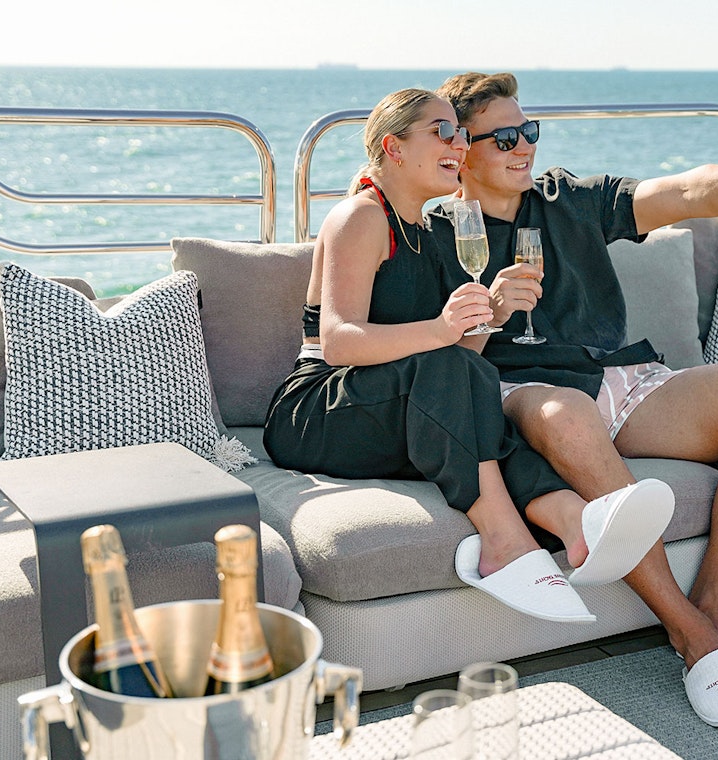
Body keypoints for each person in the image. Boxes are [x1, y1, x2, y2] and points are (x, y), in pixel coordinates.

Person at [429, 72, 718, 727]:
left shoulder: (567, 199)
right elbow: (440, 372)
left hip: (621, 379)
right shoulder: (435, 230)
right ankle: (688, 632)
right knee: (568, 413)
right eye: (505, 136)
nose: (524, 146)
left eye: (528, 130)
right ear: (460, 148)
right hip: (522, 393)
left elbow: (687, 190)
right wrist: (488, 314)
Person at [262, 88, 674, 626]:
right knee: (453, 372)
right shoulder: (360, 217)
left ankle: (579, 525)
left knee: (477, 381)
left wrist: (492, 317)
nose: (459, 143)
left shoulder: (433, 235)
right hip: (320, 409)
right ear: (394, 147)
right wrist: (439, 329)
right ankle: (504, 543)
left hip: (390, 403)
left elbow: (462, 356)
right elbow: (340, 343)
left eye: (460, 133)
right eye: (442, 132)